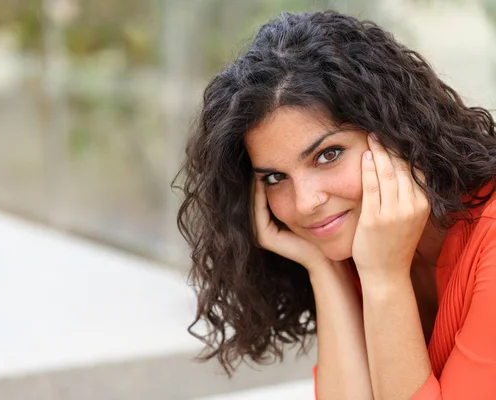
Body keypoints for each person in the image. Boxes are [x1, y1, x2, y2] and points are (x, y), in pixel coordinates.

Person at [173, 9, 496, 400]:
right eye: (275, 178)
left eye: (328, 154)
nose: (306, 203)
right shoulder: (364, 247)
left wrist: (384, 279)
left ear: (398, 133)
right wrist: (324, 267)